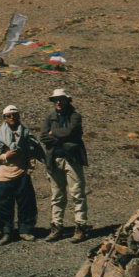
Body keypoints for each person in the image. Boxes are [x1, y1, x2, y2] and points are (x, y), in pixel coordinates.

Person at [0, 105, 45, 245]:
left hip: (21, 172)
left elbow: (34, 148)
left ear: (19, 116)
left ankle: (25, 230)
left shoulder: (25, 133)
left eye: (14, 115)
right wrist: (5, 156)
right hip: (3, 175)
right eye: (8, 116)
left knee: (26, 203)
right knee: (2, 205)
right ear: (4, 119)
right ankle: (6, 232)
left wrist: (35, 163)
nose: (12, 118)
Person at [41, 88, 90, 242]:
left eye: (61, 99)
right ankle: (57, 226)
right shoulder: (50, 117)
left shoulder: (75, 116)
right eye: (56, 100)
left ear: (67, 100)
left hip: (72, 159)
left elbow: (71, 132)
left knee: (77, 193)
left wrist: (53, 134)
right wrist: (62, 136)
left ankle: (80, 226)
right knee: (57, 195)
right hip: (54, 159)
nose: (58, 102)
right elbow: (43, 136)